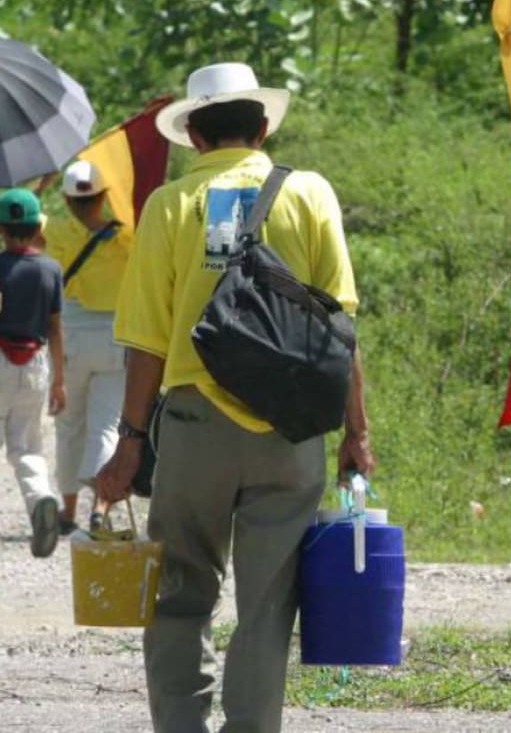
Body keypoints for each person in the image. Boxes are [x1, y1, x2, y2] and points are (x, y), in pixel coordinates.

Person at [95, 62, 375, 733]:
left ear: (192, 135)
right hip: (291, 431)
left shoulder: (168, 206)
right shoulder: (308, 193)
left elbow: (145, 344)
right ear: (263, 126)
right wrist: (357, 432)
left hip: (194, 428)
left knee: (180, 592)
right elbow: (341, 326)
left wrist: (130, 444)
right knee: (269, 602)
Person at [43, 160, 132, 535]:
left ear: (65, 198)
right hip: (115, 335)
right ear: (103, 196)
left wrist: (43, 181)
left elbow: (17, 219)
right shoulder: (127, 236)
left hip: (71, 335)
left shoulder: (54, 231)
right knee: (106, 425)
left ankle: (67, 511)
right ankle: (101, 505)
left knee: (69, 426)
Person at [0, 187, 66, 557]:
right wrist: (59, 380)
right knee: (26, 446)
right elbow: (56, 327)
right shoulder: (50, 269)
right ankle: (41, 496)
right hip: (36, 362)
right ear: (36, 225)